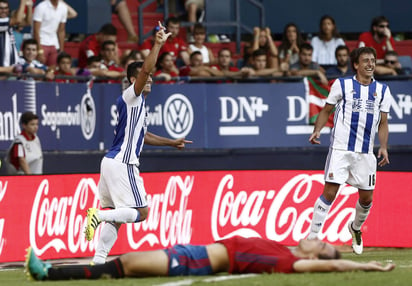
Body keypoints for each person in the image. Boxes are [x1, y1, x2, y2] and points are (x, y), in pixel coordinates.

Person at [83, 22, 192, 265]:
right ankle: (97, 216)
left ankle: (99, 261)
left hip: (110, 162)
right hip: (123, 163)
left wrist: (172, 142)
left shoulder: (137, 105)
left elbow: (145, 136)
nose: (151, 80)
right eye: (147, 77)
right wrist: (157, 44)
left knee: (117, 218)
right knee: (141, 212)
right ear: (134, 79)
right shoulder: (132, 96)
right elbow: (144, 72)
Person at [307, 47, 391, 255]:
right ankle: (311, 240)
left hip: (365, 153)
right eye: (366, 61)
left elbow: (383, 123)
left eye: (373, 61)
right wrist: (317, 130)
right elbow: (326, 110)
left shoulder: (383, 90)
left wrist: (383, 147)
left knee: (366, 199)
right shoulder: (342, 85)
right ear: (356, 65)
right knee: (329, 192)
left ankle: (355, 228)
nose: (370, 64)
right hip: (341, 149)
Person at [25, 235, 395, 281]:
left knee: (122, 265)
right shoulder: (285, 249)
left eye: (323, 243)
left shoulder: (289, 263)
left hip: (196, 262)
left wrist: (367, 264)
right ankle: (48, 273)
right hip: (193, 253)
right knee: (121, 264)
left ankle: (46, 275)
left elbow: (332, 264)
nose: (317, 238)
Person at [32, 0, 68, 67]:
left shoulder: (63, 8)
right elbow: (36, 31)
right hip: (42, 43)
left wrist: (62, 50)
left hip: (54, 44)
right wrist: (39, 50)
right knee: (40, 69)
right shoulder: (41, 7)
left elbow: (61, 31)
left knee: (52, 70)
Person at [0, 0, 26, 67]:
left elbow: (27, 22)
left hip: (13, 65)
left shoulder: (7, 22)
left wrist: (29, 6)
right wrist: (23, 2)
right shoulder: (2, 22)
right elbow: (18, 20)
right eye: (1, 8)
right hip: (4, 67)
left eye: (6, 8)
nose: (4, 11)